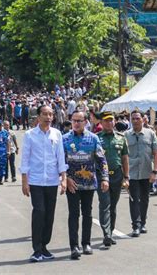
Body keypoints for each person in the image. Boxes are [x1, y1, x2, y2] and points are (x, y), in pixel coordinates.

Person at [20, 105, 67, 263]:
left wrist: (64, 178)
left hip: (52, 180)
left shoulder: (57, 134)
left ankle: (45, 246)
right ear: (38, 117)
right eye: (44, 114)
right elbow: (25, 158)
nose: (48, 117)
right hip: (36, 180)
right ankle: (36, 249)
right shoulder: (30, 135)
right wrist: (24, 181)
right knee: (39, 211)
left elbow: (60, 157)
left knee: (50, 214)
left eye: (50, 114)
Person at [64, 111, 109, 259]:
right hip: (72, 183)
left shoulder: (93, 138)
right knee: (73, 214)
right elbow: (60, 163)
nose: (76, 123)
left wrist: (105, 178)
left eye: (79, 120)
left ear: (86, 122)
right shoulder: (64, 139)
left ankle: (86, 243)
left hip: (89, 183)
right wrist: (65, 179)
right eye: (74, 120)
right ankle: (74, 246)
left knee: (87, 214)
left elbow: (102, 160)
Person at [124, 110, 157, 237]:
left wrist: (155, 171)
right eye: (133, 118)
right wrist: (125, 176)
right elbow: (123, 156)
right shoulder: (126, 135)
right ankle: (136, 225)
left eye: (137, 118)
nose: (135, 121)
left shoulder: (150, 134)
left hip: (146, 172)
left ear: (143, 120)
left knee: (144, 199)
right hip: (132, 173)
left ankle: (143, 223)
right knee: (134, 199)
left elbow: (156, 154)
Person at [96, 111, 129, 247]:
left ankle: (111, 230)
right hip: (102, 175)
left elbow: (125, 158)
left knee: (113, 205)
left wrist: (126, 177)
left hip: (116, 175)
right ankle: (107, 234)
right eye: (106, 121)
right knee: (105, 204)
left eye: (111, 120)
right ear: (101, 123)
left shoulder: (121, 138)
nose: (109, 123)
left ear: (114, 122)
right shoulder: (96, 138)